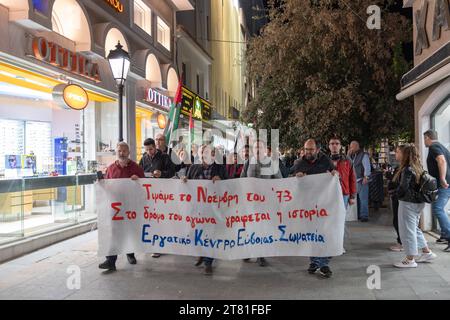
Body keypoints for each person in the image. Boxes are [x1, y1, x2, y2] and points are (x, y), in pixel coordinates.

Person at [291, 139, 338, 278]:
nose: (308, 152)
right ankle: (314, 261)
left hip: (324, 203)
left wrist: (335, 174)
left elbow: (333, 172)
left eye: (311, 150)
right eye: (306, 149)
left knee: (324, 232)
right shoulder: (299, 163)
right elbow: (290, 180)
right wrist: (296, 177)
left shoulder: (325, 160)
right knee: (311, 233)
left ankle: (324, 264)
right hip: (307, 205)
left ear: (317, 150)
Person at [181, 144, 228, 275]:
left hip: (213, 210)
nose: (203, 156)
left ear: (213, 155)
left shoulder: (220, 169)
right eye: (202, 153)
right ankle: (201, 254)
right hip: (196, 209)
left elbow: (229, 187)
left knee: (210, 235)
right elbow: (186, 185)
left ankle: (208, 262)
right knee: (194, 233)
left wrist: (222, 181)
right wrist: (184, 180)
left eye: (207, 153)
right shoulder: (193, 168)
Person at [98, 142, 145, 271]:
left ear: (128, 152)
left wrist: (138, 180)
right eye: (119, 151)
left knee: (130, 231)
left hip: (131, 205)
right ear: (116, 152)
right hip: (116, 205)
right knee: (115, 232)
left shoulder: (136, 168)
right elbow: (107, 185)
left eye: (124, 151)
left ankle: (130, 254)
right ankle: (111, 261)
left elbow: (145, 185)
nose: (122, 153)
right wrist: (100, 183)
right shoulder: (111, 168)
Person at [393, 144, 437, 268]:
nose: (396, 154)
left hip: (408, 203)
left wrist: (395, 194)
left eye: (397, 152)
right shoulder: (418, 166)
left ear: (404, 154)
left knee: (408, 231)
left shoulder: (407, 169)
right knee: (414, 228)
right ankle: (427, 252)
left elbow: (403, 188)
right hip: (418, 203)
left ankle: (410, 259)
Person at [241, 140, 282, 267]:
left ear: (265, 149)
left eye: (260, 147)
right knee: (250, 228)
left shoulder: (272, 163)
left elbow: (279, 181)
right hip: (250, 203)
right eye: (255, 147)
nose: (258, 150)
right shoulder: (248, 162)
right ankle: (248, 251)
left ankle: (261, 255)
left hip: (265, 203)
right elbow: (242, 179)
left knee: (263, 229)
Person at [329, 136, 356, 253]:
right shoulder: (324, 160)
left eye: (337, 143)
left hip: (343, 194)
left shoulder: (347, 160)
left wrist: (352, 196)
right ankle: (330, 243)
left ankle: (339, 244)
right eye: (332, 143)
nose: (334, 145)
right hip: (328, 194)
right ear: (329, 146)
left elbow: (352, 178)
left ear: (340, 146)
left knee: (340, 220)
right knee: (329, 219)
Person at [424, 130, 450, 251]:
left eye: (424, 139)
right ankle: (444, 235)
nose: (424, 141)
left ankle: (448, 235)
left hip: (443, 185)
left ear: (427, 137)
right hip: (443, 185)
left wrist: (443, 179)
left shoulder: (434, 147)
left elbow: (442, 161)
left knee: (438, 209)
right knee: (438, 208)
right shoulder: (442, 147)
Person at [386, 145, 406, 252]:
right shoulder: (400, 167)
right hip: (398, 197)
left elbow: (402, 185)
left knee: (398, 221)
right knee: (397, 220)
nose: (395, 154)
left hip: (400, 199)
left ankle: (402, 243)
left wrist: (394, 192)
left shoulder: (404, 168)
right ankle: (401, 241)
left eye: (397, 152)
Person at [348, 140, 371, 222]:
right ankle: (357, 215)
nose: (351, 148)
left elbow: (367, 167)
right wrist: (348, 155)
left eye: (352, 146)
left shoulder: (364, 155)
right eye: (350, 147)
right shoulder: (352, 156)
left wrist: (366, 177)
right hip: (354, 181)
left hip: (361, 180)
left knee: (363, 199)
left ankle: (364, 216)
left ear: (357, 146)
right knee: (356, 199)